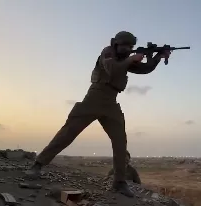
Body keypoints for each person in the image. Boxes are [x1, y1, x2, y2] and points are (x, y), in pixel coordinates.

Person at [24, 31, 170, 197]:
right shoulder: (108, 52)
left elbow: (145, 69)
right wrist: (132, 58)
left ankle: (119, 182)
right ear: (115, 44)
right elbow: (112, 68)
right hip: (95, 96)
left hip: (111, 102)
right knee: (68, 133)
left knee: (120, 141)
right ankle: (37, 165)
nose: (128, 49)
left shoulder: (125, 59)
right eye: (125, 46)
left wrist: (157, 57)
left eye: (130, 47)